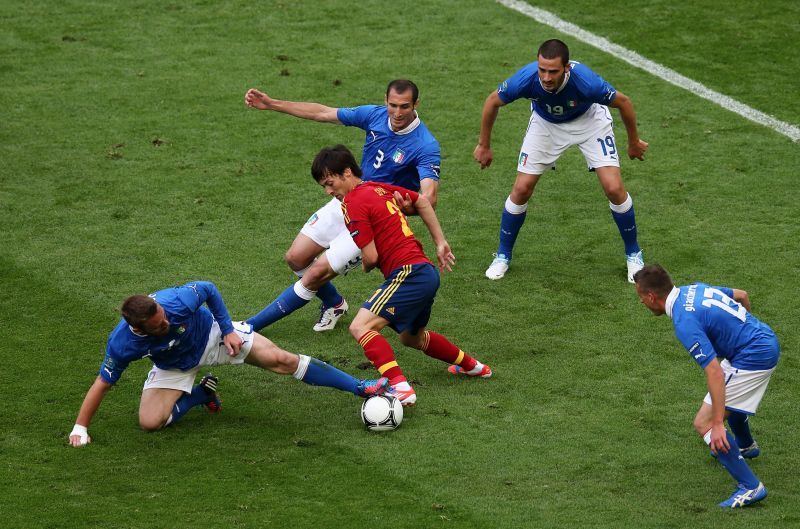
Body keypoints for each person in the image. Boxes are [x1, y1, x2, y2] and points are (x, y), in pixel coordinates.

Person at [68, 281, 387, 447]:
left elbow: (208, 288)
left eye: (164, 316)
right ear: (140, 328)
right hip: (173, 366)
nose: (167, 320)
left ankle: (361, 387)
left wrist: (229, 329)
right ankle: (199, 396)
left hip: (212, 335)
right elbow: (103, 383)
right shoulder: (123, 343)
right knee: (150, 422)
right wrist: (80, 427)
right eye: (160, 324)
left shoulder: (174, 302)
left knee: (281, 359)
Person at [244, 80, 441, 332]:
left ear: (416, 104)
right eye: (393, 105)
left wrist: (408, 205)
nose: (398, 113)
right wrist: (272, 104)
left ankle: (247, 327)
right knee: (296, 258)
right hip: (348, 199)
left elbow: (429, 197)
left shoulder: (425, 145)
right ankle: (334, 303)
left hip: (375, 220)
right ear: (385, 100)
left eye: (404, 106)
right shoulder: (375, 116)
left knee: (314, 274)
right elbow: (323, 112)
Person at [312, 145, 491, 406]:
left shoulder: (351, 203)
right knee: (411, 337)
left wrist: (361, 265)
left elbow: (371, 258)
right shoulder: (378, 187)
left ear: (347, 172)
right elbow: (421, 201)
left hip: (408, 274)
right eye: (324, 187)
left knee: (361, 326)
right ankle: (474, 367)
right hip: (426, 273)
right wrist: (440, 242)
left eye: (330, 183)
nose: (329, 191)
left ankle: (401, 388)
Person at [474, 38, 648, 282]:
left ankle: (633, 254)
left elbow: (624, 102)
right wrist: (484, 145)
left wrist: (633, 142)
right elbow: (493, 101)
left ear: (566, 68)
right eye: (542, 69)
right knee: (521, 189)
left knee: (614, 187)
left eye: (553, 71)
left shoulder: (586, 82)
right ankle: (503, 255)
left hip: (589, 122)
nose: (545, 77)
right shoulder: (527, 79)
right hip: (546, 125)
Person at [633, 264, 779, 508]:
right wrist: (737, 339)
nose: (642, 303)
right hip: (762, 338)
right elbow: (742, 295)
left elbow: (713, 372)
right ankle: (745, 445)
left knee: (704, 422)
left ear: (651, 296)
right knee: (726, 392)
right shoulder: (693, 289)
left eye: (641, 298)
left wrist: (717, 423)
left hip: (753, 356)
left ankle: (751, 487)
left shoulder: (683, 321)